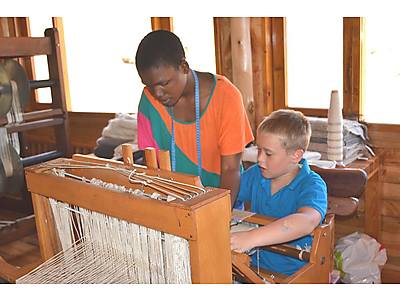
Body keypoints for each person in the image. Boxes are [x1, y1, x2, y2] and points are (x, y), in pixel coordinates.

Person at [135, 30, 253, 206]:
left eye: (164, 83)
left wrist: (218, 215)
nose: (157, 93)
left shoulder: (226, 96)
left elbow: (230, 169)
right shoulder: (149, 101)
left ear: (184, 67)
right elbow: (152, 165)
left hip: (222, 204)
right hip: (174, 207)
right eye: (150, 86)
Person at [231, 109, 327, 276]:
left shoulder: (312, 186)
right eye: (258, 150)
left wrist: (251, 238)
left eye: (268, 153)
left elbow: (306, 221)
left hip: (296, 275)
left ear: (296, 155)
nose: (260, 159)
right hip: (255, 269)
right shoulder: (256, 174)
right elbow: (227, 196)